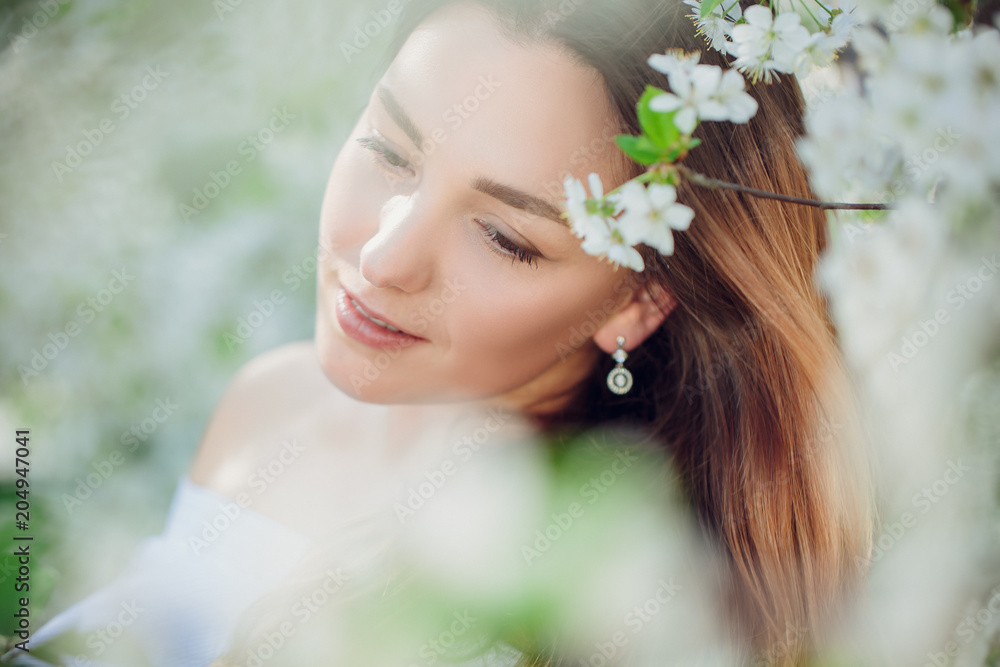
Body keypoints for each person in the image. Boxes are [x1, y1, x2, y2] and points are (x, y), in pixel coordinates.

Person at [12, 0, 872, 665]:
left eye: (504, 236)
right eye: (390, 151)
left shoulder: (595, 590)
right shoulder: (275, 401)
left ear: (637, 303)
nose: (384, 257)